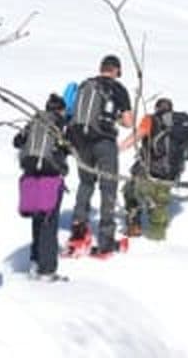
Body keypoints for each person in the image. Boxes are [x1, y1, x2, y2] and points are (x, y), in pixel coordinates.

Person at [68, 55, 133, 257]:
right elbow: (129, 122)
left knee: (85, 183)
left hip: (81, 141)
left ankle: (79, 234)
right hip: (104, 142)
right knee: (108, 187)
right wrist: (118, 120)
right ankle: (105, 241)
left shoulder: (85, 85)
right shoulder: (118, 89)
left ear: (101, 68)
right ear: (116, 71)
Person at [120, 97, 188, 240]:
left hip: (148, 169)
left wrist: (120, 147)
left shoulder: (151, 119)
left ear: (157, 108)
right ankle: (157, 237)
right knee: (160, 203)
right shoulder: (181, 126)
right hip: (170, 174)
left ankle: (134, 225)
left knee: (130, 191)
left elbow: (137, 136)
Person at [13, 93, 69, 281]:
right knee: (49, 221)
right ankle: (47, 270)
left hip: (31, 174)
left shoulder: (35, 121)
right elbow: (69, 147)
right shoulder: (60, 123)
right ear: (61, 109)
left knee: (37, 218)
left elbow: (17, 141)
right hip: (51, 176)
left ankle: (35, 262)